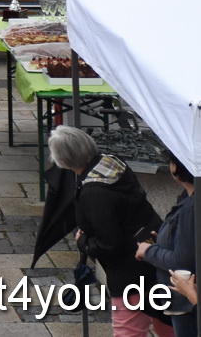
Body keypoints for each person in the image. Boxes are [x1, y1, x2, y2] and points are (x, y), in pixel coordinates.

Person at [53, 124, 178, 337]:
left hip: (130, 270)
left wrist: (83, 242)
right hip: (154, 250)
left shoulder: (94, 192)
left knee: (128, 330)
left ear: (63, 159)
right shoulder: (111, 164)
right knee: (166, 324)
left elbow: (109, 243)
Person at [138, 152, 196, 337]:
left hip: (187, 300)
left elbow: (183, 261)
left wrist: (148, 251)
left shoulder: (192, 207)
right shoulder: (188, 200)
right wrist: (165, 239)